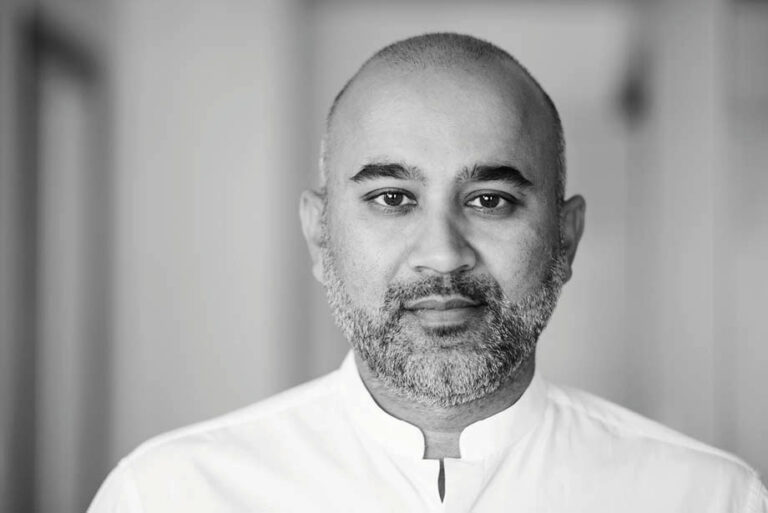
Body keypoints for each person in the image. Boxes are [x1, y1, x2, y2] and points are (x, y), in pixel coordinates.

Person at [88, 32, 767, 512]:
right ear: (320, 235)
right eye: (392, 198)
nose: (443, 254)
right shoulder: (168, 494)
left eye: (490, 201)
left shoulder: (710, 498)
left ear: (566, 239)